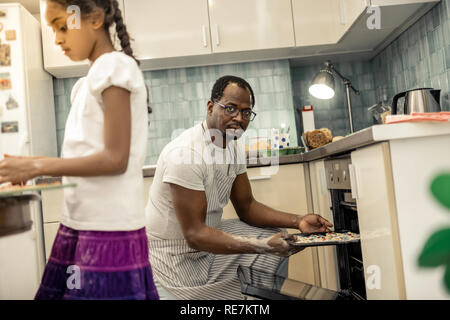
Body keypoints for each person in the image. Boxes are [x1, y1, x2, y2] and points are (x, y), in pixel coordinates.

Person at [0, 0, 159, 300]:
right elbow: (84, 157)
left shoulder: (114, 67)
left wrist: (36, 167)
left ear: (96, 18)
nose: (57, 38)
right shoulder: (87, 84)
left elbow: (115, 159)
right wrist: (26, 165)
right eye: (53, 30)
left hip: (108, 231)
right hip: (81, 223)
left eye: (62, 26)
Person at [145, 75, 333, 299]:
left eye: (246, 112)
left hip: (204, 247)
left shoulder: (232, 147)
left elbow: (247, 206)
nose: (239, 118)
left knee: (280, 238)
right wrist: (261, 245)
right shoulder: (186, 155)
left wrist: (298, 220)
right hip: (175, 258)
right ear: (210, 107)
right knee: (269, 245)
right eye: (231, 108)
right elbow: (194, 234)